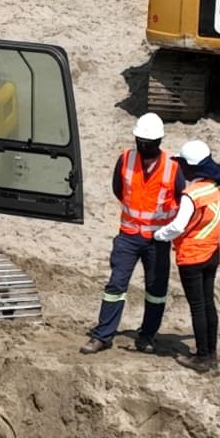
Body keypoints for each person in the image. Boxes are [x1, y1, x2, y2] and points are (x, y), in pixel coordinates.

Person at [87, 110, 184, 354]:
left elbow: (182, 200)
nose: (142, 146)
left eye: (147, 143)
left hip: (158, 239)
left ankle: (147, 336)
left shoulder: (173, 167)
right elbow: (119, 189)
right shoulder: (126, 159)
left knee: (156, 290)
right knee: (116, 285)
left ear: (158, 142)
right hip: (128, 235)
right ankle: (103, 335)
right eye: (140, 141)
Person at [170, 138, 220, 372]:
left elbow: (178, 227)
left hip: (192, 256)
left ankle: (201, 357)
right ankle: (211, 353)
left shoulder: (191, 194)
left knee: (197, 306)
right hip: (212, 251)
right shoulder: (216, 185)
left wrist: (159, 235)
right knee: (208, 303)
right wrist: (218, 221)